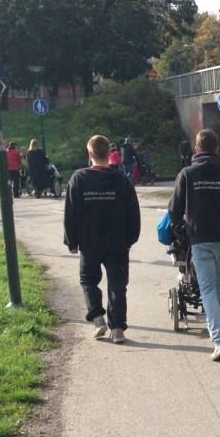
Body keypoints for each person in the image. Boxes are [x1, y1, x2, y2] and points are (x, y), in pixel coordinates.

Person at [169, 129, 220, 361]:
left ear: (196, 148)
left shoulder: (187, 174)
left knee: (206, 290)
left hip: (200, 239)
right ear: (216, 149)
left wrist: (181, 227)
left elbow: (174, 210)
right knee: (214, 288)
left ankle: (219, 340)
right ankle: (219, 332)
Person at [65, 135, 141, 344]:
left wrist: (72, 241)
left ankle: (98, 319)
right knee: (117, 285)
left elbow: (70, 213)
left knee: (88, 280)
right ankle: (117, 329)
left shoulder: (78, 179)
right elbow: (133, 214)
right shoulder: (122, 180)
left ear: (90, 154)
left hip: (89, 241)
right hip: (117, 242)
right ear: (110, 154)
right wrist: (130, 240)